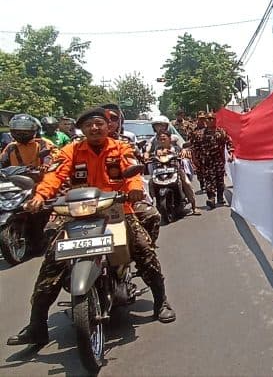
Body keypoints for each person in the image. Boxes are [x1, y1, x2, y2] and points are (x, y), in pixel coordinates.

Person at [6, 107, 176, 347]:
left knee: (143, 249)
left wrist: (135, 187)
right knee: (51, 263)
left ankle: (161, 301)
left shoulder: (121, 148)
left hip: (117, 210)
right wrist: (40, 196)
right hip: (79, 214)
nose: (94, 128)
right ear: (82, 129)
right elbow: (54, 175)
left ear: (108, 126)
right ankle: (37, 326)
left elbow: (132, 169)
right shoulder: (71, 150)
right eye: (88, 125)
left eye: (99, 124)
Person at [101, 104, 162, 244]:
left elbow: (133, 167)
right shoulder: (76, 145)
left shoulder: (125, 143)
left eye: (114, 118)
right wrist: (42, 194)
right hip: (86, 204)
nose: (109, 122)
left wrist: (134, 188)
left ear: (120, 122)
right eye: (104, 118)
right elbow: (58, 174)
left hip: (121, 199)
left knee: (151, 217)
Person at [187, 112, 233, 209]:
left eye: (212, 118)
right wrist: (194, 159)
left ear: (215, 120)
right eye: (207, 119)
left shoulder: (221, 132)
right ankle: (211, 198)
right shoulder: (199, 134)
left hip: (218, 160)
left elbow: (229, 143)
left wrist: (231, 153)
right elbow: (194, 148)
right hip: (206, 161)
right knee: (208, 180)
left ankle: (220, 197)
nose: (209, 120)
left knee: (219, 179)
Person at [152, 131, 198, 215]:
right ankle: (152, 203)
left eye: (164, 139)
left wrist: (184, 152)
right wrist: (147, 156)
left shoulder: (176, 148)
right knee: (151, 182)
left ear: (169, 139)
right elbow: (150, 156)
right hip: (160, 172)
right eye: (160, 139)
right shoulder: (157, 150)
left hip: (176, 170)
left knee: (186, 183)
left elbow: (183, 152)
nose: (162, 141)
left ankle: (194, 207)